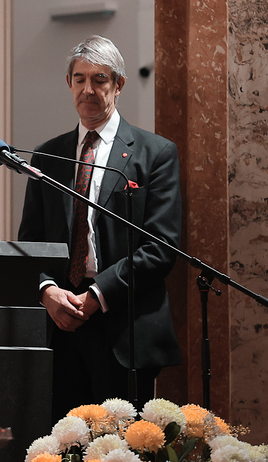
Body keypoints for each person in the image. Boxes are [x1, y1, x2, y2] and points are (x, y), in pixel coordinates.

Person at [17, 35, 182, 421]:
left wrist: (96, 294)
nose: (88, 90)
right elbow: (30, 244)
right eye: (79, 79)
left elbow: (161, 247)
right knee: (63, 444)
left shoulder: (155, 154)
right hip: (60, 329)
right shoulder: (47, 158)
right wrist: (47, 291)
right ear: (69, 83)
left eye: (99, 79)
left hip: (123, 327)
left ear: (119, 84)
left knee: (122, 445)